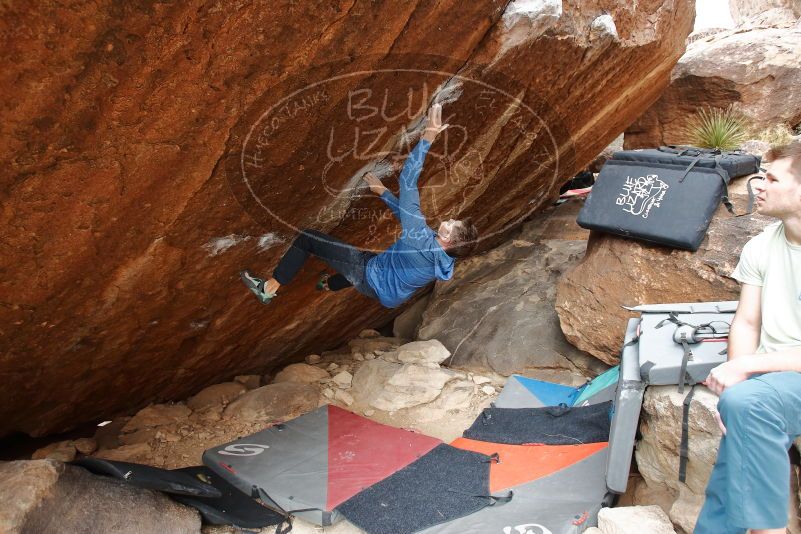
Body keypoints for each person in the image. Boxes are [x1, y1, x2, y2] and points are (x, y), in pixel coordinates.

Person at [240, 103, 479, 308]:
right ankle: (327, 284)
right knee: (365, 262)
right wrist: (384, 193)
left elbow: (408, 180)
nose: (448, 220)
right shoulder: (443, 259)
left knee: (309, 239)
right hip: (387, 294)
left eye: (452, 224)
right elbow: (408, 217)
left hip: (370, 276)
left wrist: (428, 136)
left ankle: (268, 289)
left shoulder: (421, 241)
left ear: (449, 239)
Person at [696, 140, 801, 534]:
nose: (759, 184)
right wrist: (735, 379)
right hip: (776, 380)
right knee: (743, 408)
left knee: (748, 409)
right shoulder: (761, 246)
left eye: (772, 178)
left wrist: (747, 367)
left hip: (783, 378)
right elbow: (747, 323)